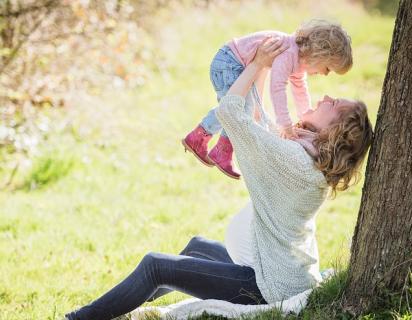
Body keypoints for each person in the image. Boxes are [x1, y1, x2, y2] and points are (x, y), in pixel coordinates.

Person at [65, 37, 373, 320]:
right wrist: (264, 67)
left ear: (334, 131)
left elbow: (231, 113)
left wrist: (253, 65)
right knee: (195, 246)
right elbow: (257, 121)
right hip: (274, 271)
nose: (328, 96)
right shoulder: (304, 156)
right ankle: (127, 301)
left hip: (266, 287)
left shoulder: (293, 161)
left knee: (155, 265)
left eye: (334, 105)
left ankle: (79, 319)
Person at [182, 19, 353, 179]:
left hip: (233, 64)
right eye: (328, 68)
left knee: (238, 108)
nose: (324, 74)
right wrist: (285, 123)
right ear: (320, 54)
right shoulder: (289, 53)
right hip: (229, 63)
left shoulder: (298, 60)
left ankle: (208, 142)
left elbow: (300, 90)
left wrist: (305, 115)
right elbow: (277, 88)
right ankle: (215, 146)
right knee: (237, 108)